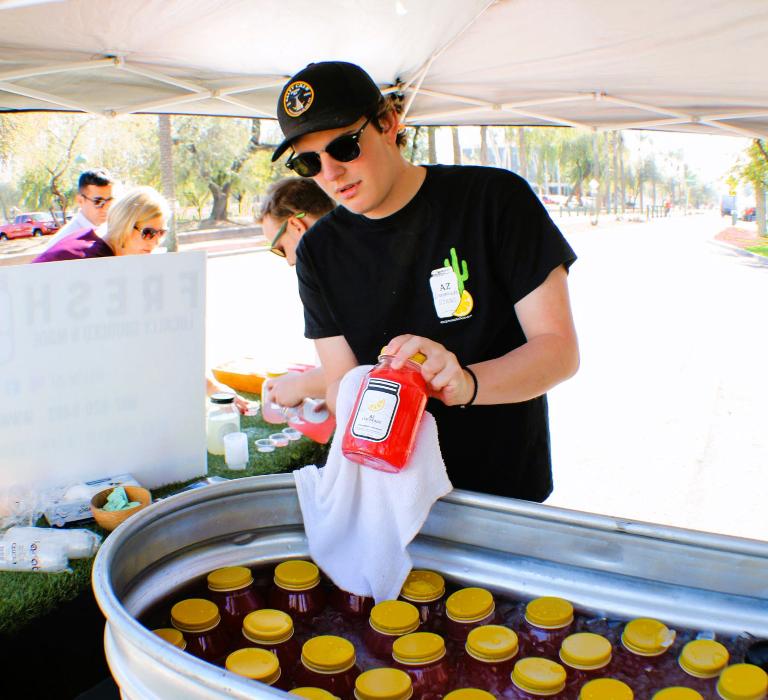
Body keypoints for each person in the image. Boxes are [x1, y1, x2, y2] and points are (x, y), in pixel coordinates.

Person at [270, 61, 579, 502]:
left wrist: (464, 382)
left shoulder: (494, 200)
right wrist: (377, 387)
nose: (330, 172)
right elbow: (340, 383)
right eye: (309, 162)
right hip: (387, 494)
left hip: (499, 489)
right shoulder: (318, 251)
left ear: (388, 123)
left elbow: (558, 350)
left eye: (343, 147)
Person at [258, 177, 335, 408]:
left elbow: (350, 371)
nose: (289, 261)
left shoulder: (319, 273)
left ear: (296, 226)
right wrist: (328, 391)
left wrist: (299, 386)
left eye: (281, 248)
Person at [32, 186, 168, 263]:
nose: (156, 242)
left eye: (161, 233)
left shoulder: (93, 238)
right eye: (148, 233)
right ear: (125, 224)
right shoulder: (93, 259)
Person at [44, 168, 115, 248]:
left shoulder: (109, 231)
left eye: (109, 201)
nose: (106, 208)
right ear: (80, 201)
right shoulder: (63, 242)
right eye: (98, 202)